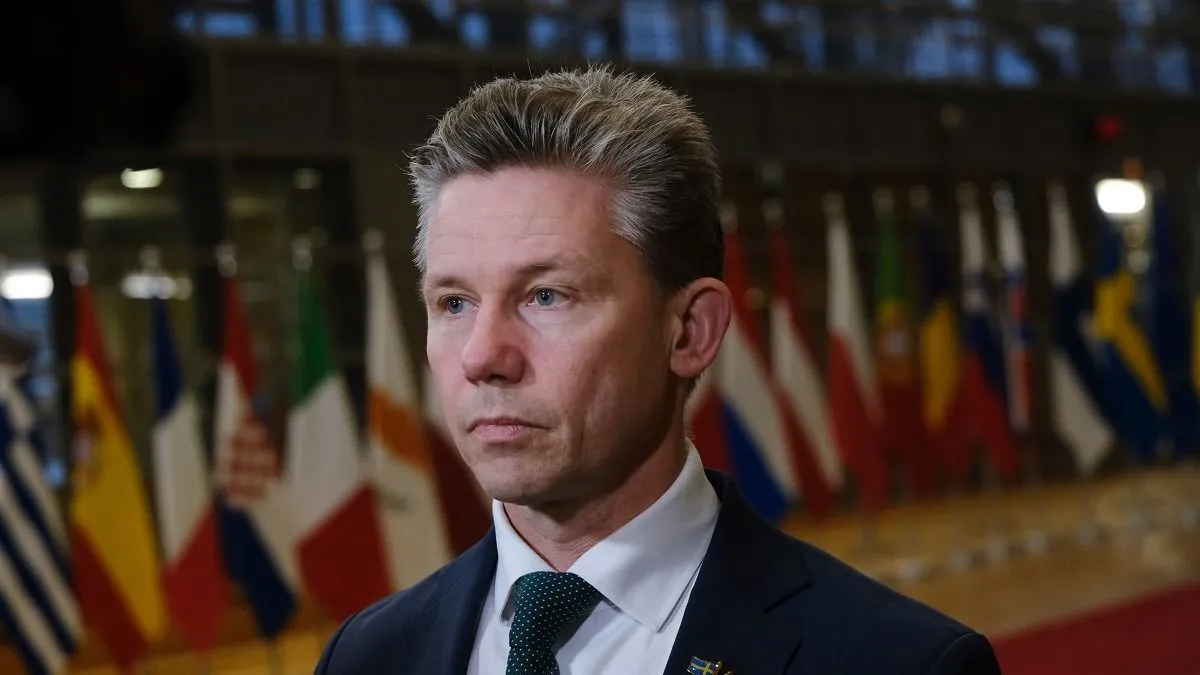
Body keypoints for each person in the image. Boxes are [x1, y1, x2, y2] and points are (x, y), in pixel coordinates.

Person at [313, 65, 1001, 675]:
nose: (482, 356)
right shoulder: (366, 657)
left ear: (690, 330)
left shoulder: (901, 662)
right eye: (454, 302)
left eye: (546, 295)